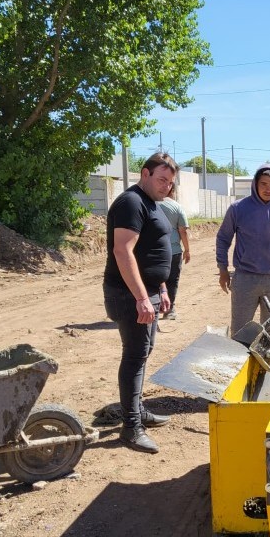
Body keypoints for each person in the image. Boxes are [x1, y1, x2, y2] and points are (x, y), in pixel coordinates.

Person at [103, 152, 178, 454]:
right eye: (162, 180)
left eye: (170, 183)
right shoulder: (131, 202)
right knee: (134, 356)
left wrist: (161, 286)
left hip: (148, 292)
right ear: (144, 174)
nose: (166, 187)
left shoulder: (151, 204)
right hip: (130, 295)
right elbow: (123, 251)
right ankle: (131, 427)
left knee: (144, 351)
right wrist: (142, 298)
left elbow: (149, 249)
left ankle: (137, 408)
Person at [216, 164, 270, 340]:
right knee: (239, 332)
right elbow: (223, 239)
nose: (268, 189)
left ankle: (268, 365)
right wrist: (223, 270)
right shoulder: (238, 209)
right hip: (245, 280)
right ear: (255, 184)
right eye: (263, 184)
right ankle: (241, 365)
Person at [158, 182, 191, 320]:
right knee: (172, 280)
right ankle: (169, 310)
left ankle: (154, 308)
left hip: (154, 251)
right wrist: (187, 250)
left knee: (155, 279)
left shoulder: (151, 204)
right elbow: (183, 230)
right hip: (174, 251)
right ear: (173, 191)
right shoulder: (177, 207)